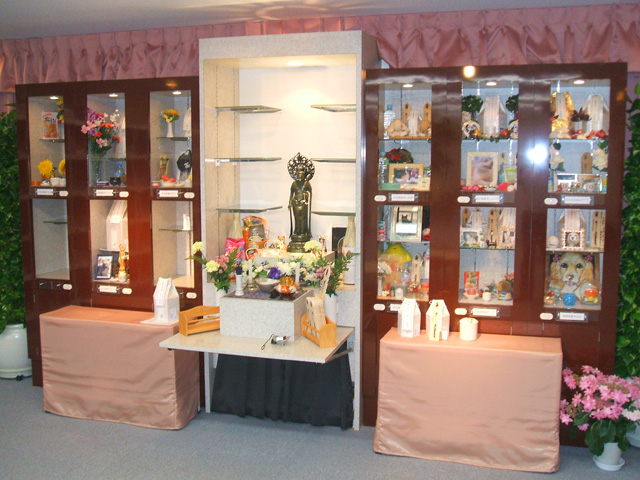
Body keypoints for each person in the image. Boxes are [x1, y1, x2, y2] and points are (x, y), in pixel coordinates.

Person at [287, 153, 314, 252]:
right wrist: (290, 202)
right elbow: (291, 194)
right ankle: (297, 232)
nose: (300, 176)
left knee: (302, 218)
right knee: (296, 218)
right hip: (295, 203)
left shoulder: (307, 184)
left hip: (303, 203)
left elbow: (310, 193)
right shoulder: (294, 184)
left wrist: (306, 197)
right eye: (298, 174)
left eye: (301, 174)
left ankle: (303, 232)